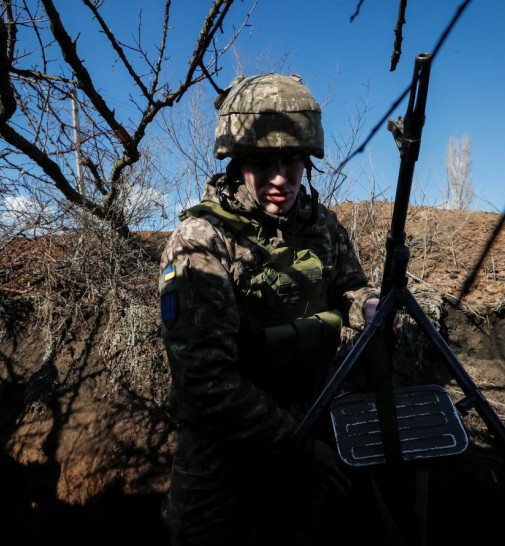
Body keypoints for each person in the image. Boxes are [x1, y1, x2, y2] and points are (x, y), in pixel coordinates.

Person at [158, 72, 383, 546]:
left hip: (310, 423)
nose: (281, 178)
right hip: (225, 454)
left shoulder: (320, 226)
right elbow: (205, 382)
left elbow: (350, 286)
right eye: (263, 163)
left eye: (292, 160)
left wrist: (368, 305)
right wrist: (301, 449)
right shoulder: (200, 243)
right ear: (237, 164)